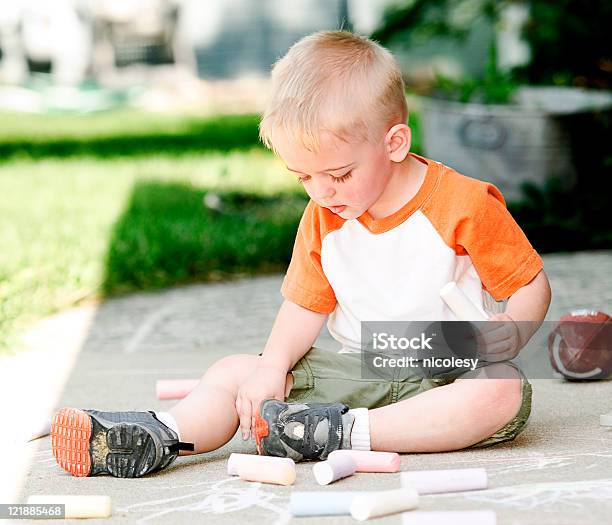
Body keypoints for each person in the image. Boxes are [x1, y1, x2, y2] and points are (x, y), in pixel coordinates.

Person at [51, 30, 551, 478]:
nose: (323, 192)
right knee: (235, 373)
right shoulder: (324, 216)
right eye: (304, 178)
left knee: (502, 393)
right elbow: (305, 304)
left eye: (338, 175)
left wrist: (510, 332)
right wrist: (273, 366)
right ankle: (161, 435)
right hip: (360, 367)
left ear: (394, 142)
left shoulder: (462, 203)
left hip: (449, 369)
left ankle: (340, 433)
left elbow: (529, 284)